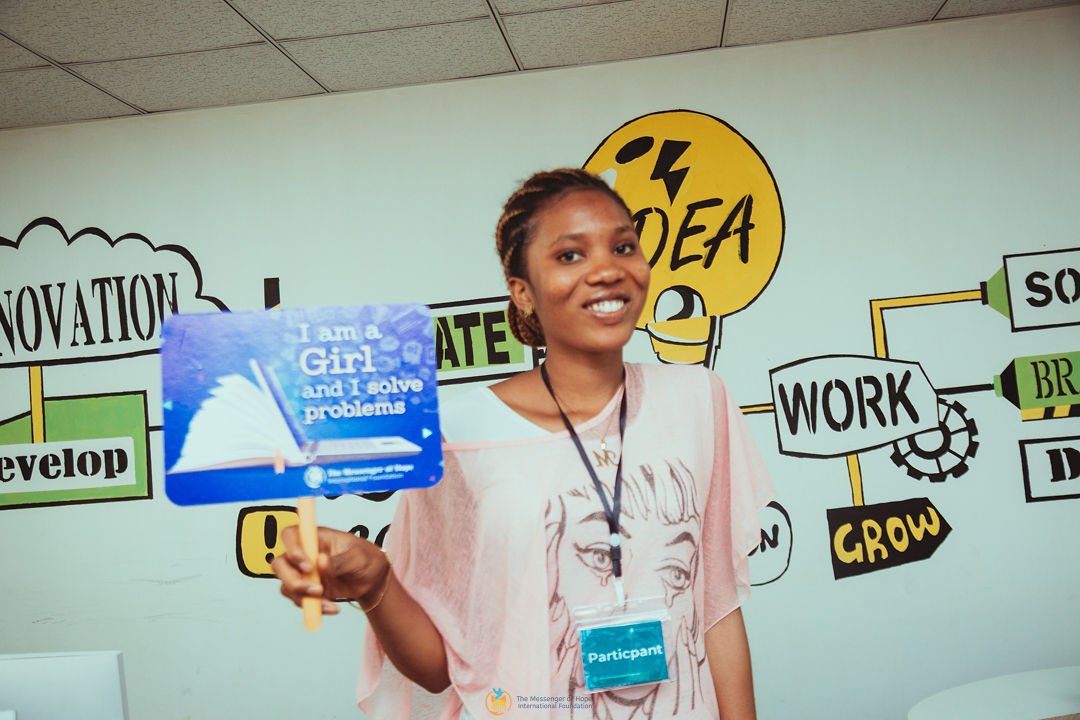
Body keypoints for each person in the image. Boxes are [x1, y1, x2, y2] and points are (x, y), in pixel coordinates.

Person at [272, 168, 774, 719]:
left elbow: (718, 607)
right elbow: (440, 667)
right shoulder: (461, 435)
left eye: (623, 247)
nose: (607, 270)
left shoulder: (698, 399)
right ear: (523, 292)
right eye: (570, 255)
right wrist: (376, 584)